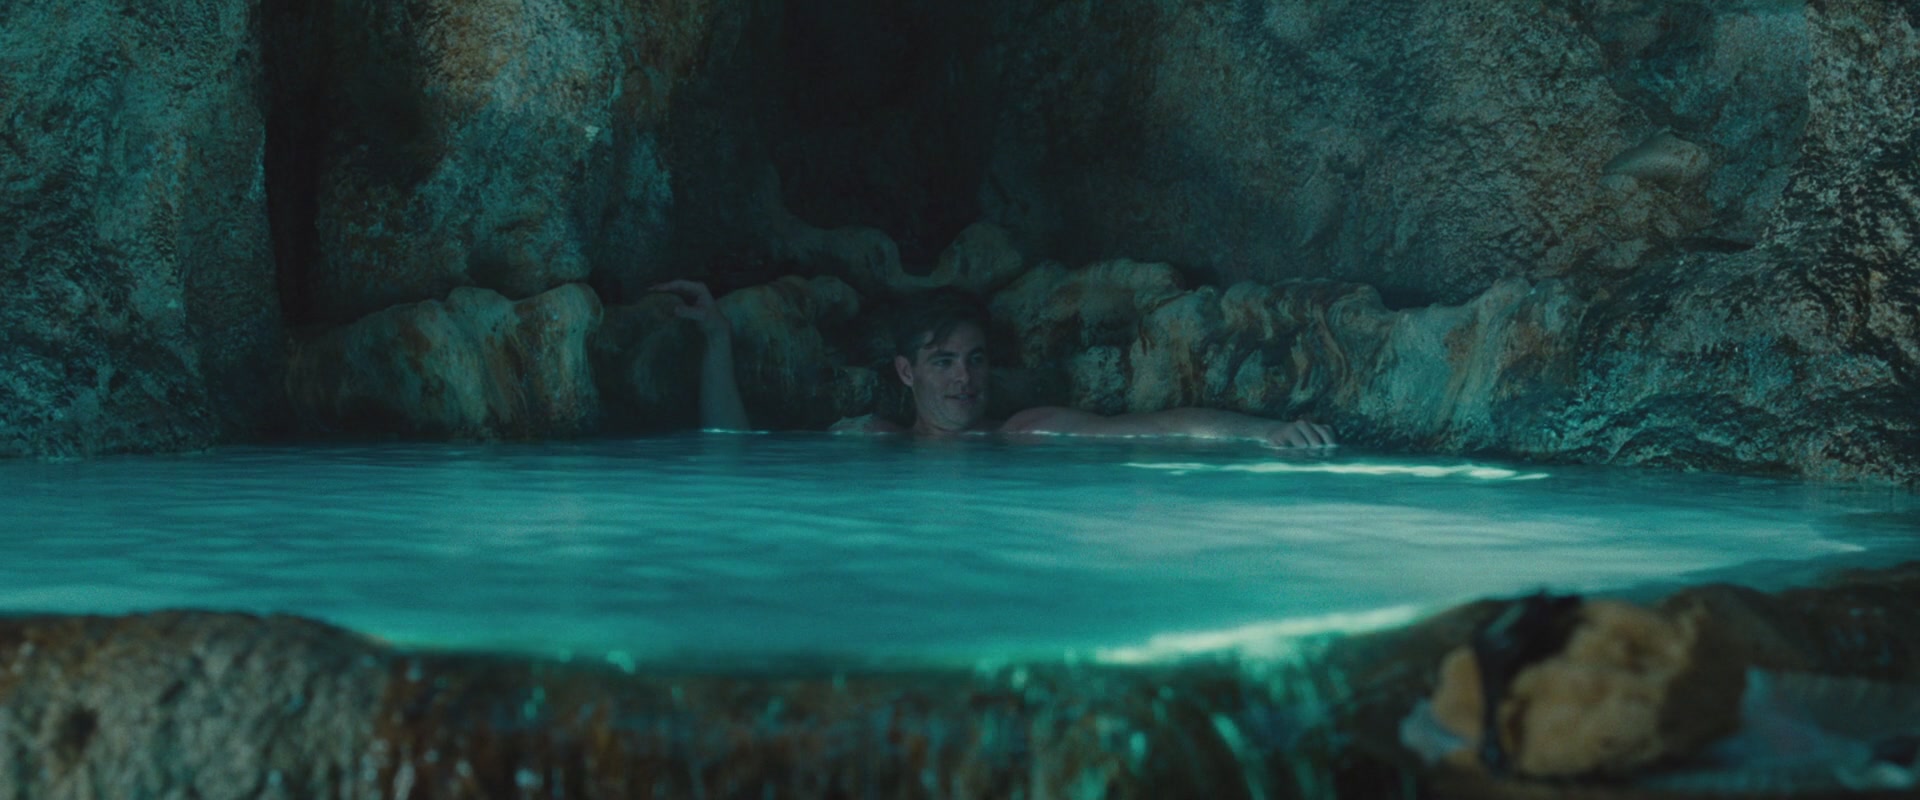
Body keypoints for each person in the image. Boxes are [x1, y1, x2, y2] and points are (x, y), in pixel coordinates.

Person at [651, 280, 1337, 448]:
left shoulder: (1021, 432)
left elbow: (1151, 428)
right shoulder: (868, 439)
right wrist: (716, 339)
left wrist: (1264, 433)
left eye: (975, 360)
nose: (965, 378)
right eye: (944, 361)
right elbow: (732, 448)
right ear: (906, 372)